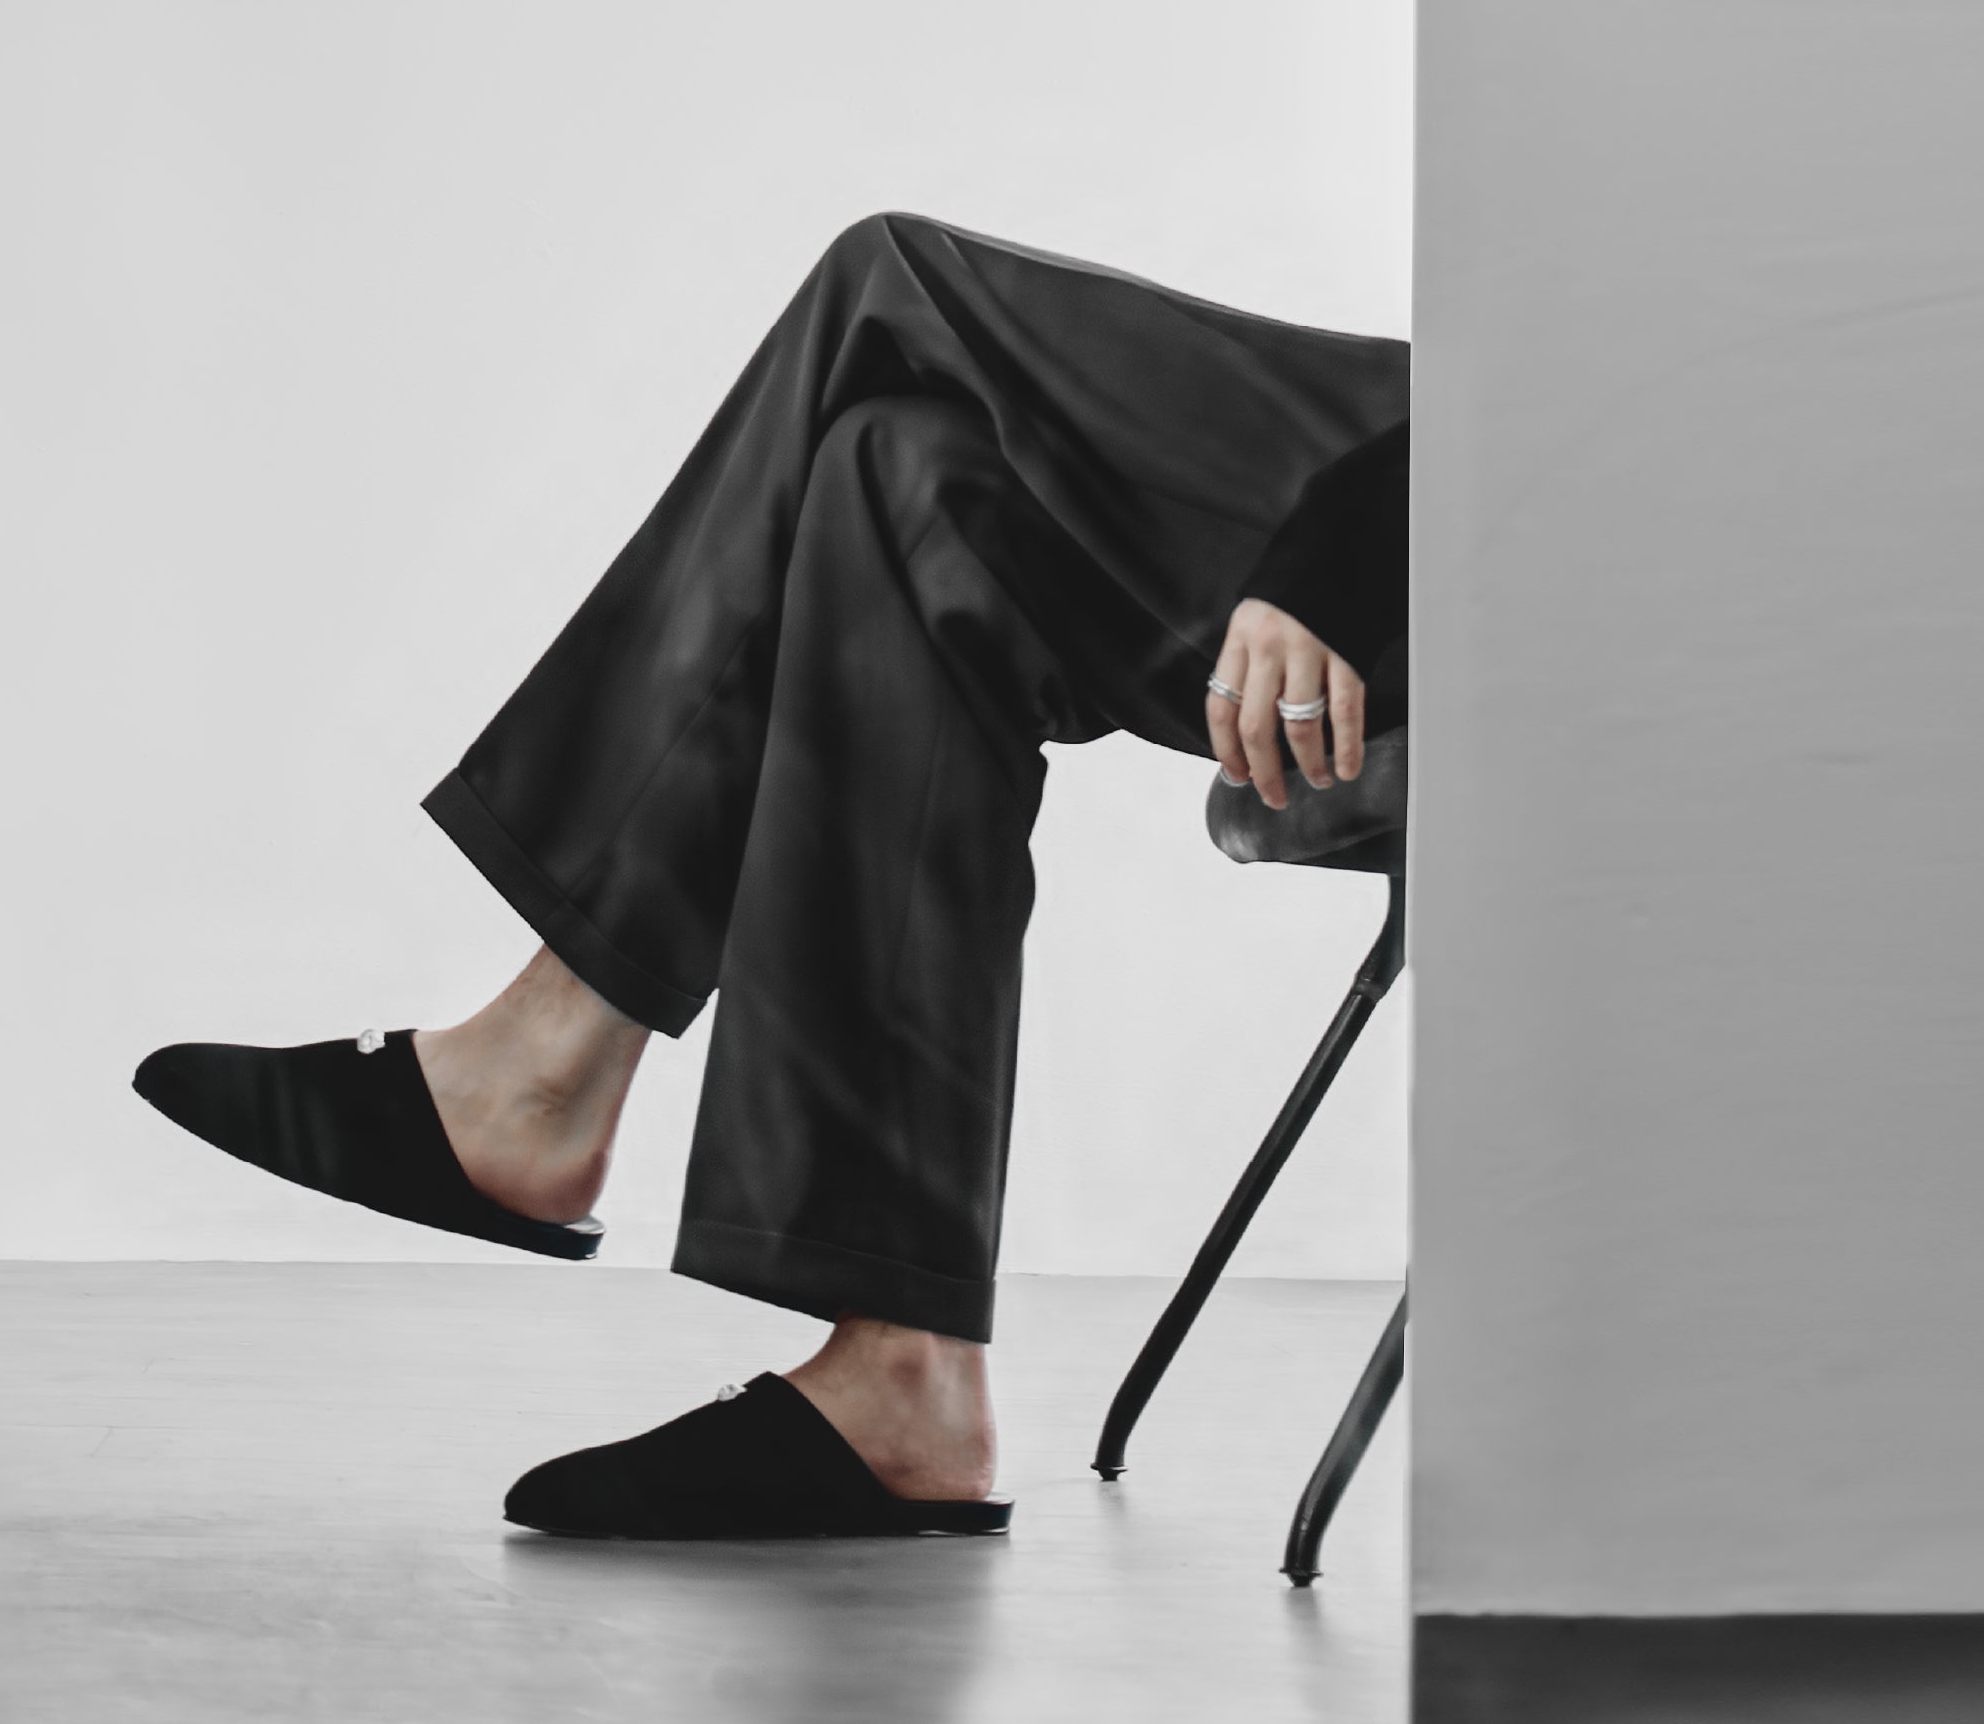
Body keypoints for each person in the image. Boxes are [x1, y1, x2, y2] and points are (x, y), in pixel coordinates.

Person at [135, 212, 1409, 1541]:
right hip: (1504, 490)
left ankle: (542, 1068)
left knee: (890, 280)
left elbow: (1609, 359)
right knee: (903, 482)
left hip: (1527, 524)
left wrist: (1344, 553)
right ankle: (902, 1369)